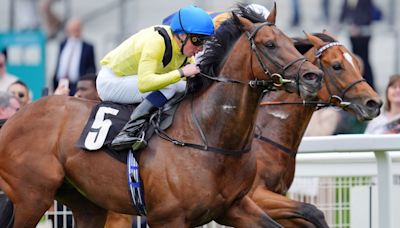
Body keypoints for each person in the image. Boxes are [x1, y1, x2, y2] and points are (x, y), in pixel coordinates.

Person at [96, 5, 214, 151]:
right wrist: (181, 73)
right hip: (110, 82)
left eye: (205, 42)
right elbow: (145, 84)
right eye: (198, 40)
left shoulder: (182, 50)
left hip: (130, 79)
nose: (200, 48)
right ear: (182, 35)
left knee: (184, 87)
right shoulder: (157, 42)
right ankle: (128, 132)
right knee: (171, 86)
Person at [53, 18, 96, 96]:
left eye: (77, 29)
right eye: (73, 29)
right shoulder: (62, 44)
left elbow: (92, 67)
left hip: (77, 84)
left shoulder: (88, 47)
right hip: (61, 82)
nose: (75, 31)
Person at [340, 0, 375, 89]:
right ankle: (359, 83)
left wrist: (358, 26)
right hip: (353, 34)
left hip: (363, 34)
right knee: (355, 59)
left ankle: (370, 85)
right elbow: (344, 12)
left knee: (364, 60)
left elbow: (368, 13)